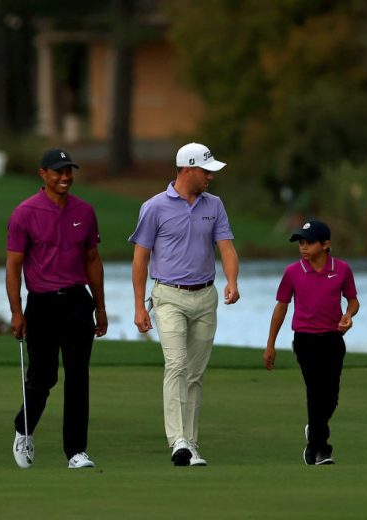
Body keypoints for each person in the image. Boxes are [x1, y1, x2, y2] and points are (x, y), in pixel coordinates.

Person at [129, 142, 240, 467]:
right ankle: (178, 441)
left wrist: (232, 281)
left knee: (194, 374)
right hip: (168, 296)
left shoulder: (214, 205)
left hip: (205, 296)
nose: (210, 177)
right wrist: (138, 306)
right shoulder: (154, 207)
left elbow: (227, 248)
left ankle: (190, 443)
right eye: (206, 171)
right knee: (176, 365)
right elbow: (140, 259)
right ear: (188, 169)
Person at [6, 148, 108, 469]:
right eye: (58, 172)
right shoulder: (24, 212)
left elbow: (92, 260)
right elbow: (13, 267)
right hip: (41, 304)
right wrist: (16, 311)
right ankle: (24, 428)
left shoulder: (85, 211)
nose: (65, 177)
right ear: (43, 174)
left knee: (78, 378)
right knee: (43, 377)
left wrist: (101, 308)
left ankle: (76, 451)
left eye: (68, 171)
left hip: (78, 302)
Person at [264, 220, 359, 465]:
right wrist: (270, 344)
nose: (303, 248)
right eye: (301, 243)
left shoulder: (342, 269)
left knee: (332, 397)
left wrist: (348, 315)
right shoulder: (293, 272)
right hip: (305, 340)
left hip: (333, 339)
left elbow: (353, 300)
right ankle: (320, 450)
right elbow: (281, 307)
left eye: (309, 243)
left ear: (325, 244)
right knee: (316, 392)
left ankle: (314, 429)